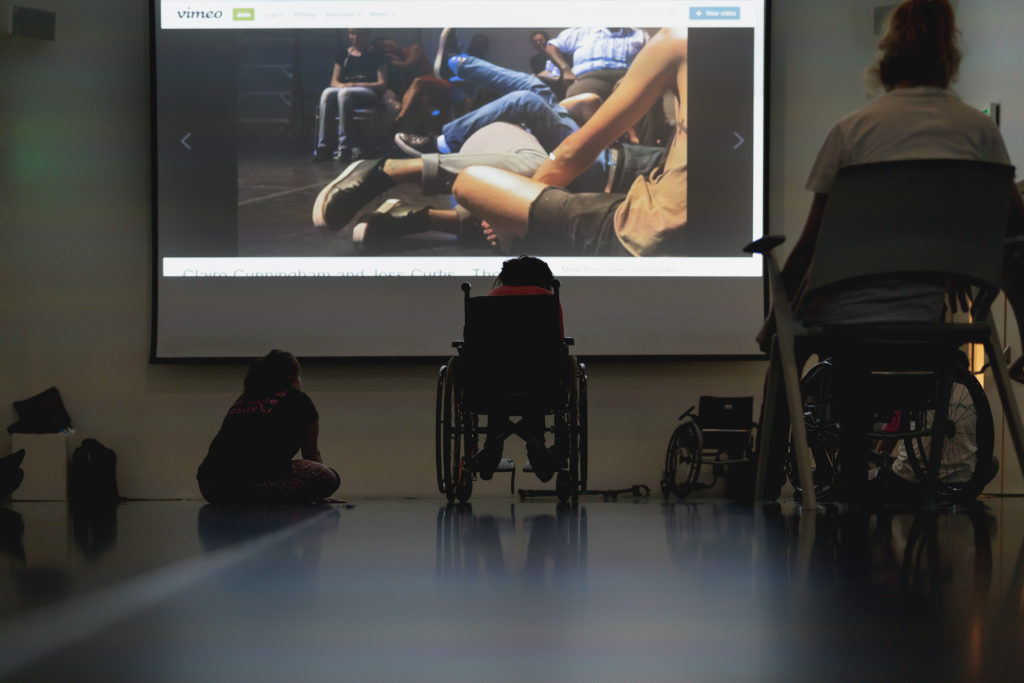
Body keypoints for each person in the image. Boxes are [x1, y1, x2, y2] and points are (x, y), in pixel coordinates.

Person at [755, 0, 1023, 502]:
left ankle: (765, 488)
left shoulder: (852, 131)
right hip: (927, 317)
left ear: (886, 55)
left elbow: (811, 246)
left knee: (784, 344)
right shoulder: (980, 131)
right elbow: (1013, 227)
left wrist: (776, 315)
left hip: (843, 321)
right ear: (951, 55)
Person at [449, 28, 688, 257]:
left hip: (605, 168)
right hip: (608, 159)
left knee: (528, 98)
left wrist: (511, 210)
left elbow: (571, 154)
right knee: (535, 92)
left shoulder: (676, 40)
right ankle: (456, 71)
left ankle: (454, 77)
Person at [197, 350, 341, 505]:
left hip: (212, 487)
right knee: (330, 477)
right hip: (254, 485)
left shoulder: (245, 399)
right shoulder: (299, 400)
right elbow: (312, 454)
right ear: (290, 377)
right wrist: (317, 493)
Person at [473, 256, 563, 482]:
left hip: (492, 383)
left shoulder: (492, 298)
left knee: (496, 384)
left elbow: (480, 345)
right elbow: (557, 342)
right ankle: (539, 452)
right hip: (539, 382)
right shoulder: (547, 299)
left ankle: (491, 450)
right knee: (538, 380)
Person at [313, 28, 389, 163]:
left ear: (367, 35)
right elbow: (334, 81)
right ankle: (324, 147)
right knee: (327, 92)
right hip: (347, 90)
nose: (355, 37)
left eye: (359, 33)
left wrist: (355, 84)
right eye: (352, 33)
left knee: (344, 94)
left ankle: (345, 147)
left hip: (369, 91)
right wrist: (342, 85)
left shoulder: (377, 54)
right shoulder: (344, 54)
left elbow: (382, 83)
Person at [544, 27, 648, 99]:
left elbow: (653, 58)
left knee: (646, 97)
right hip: (589, 78)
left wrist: (632, 76)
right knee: (580, 98)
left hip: (628, 78)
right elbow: (552, 47)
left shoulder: (640, 35)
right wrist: (565, 69)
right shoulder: (583, 31)